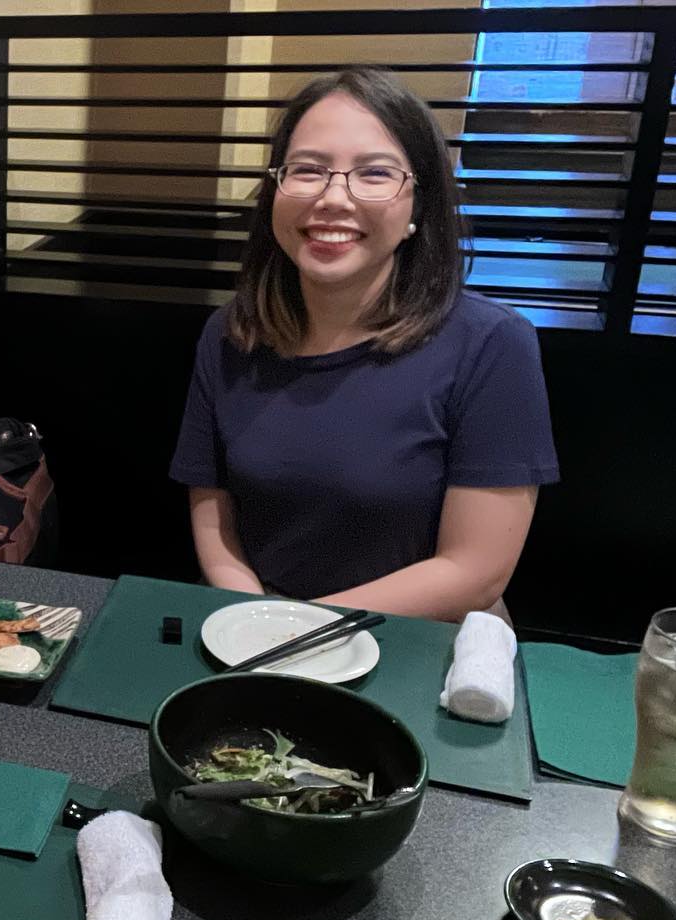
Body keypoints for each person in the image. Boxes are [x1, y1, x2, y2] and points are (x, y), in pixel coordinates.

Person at [170, 68, 559, 622]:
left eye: (375, 173)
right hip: (253, 622)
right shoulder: (231, 333)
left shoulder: (492, 343)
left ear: (417, 206)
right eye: (308, 170)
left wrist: (295, 627)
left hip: (415, 638)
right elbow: (213, 509)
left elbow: (476, 571)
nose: (333, 197)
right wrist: (252, 614)